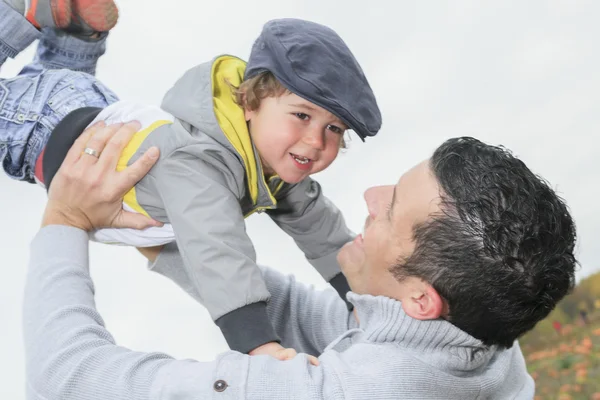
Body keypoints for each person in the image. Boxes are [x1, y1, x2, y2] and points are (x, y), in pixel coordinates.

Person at [25, 119, 577, 398]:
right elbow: (294, 314)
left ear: (421, 298)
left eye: (389, 211)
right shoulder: (485, 339)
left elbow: (68, 378)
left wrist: (66, 223)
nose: (369, 197)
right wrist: (161, 230)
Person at [0, 0, 382, 359]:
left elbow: (324, 233)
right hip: (38, 130)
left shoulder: (273, 168)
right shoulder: (200, 166)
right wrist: (259, 345)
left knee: (49, 83)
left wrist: (369, 300)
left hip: (80, 109)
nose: (316, 141)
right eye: (301, 116)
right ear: (250, 104)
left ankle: (78, 32)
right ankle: (19, 13)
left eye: (334, 128)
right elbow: (217, 250)